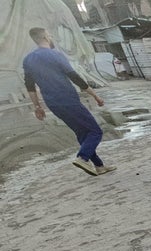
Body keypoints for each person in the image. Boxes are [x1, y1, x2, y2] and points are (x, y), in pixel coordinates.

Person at [23, 27, 116, 176]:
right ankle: (82, 157)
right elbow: (75, 77)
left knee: (81, 133)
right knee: (94, 131)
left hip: (52, 103)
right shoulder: (55, 55)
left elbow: (29, 86)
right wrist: (95, 96)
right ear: (46, 36)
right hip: (67, 99)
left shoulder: (28, 59)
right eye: (50, 35)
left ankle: (99, 166)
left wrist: (37, 106)